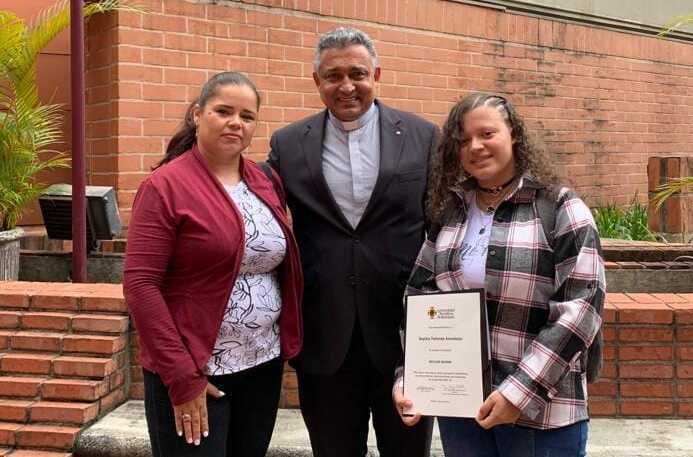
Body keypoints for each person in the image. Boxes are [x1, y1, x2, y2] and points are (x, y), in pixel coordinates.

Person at [393, 92, 605, 457]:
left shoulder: (559, 207)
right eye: (462, 140)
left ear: (514, 135)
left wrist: (518, 392)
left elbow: (581, 309)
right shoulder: (452, 212)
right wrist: (410, 376)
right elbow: (421, 295)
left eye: (486, 134)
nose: (474, 146)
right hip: (462, 409)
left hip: (543, 412)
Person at [267, 27, 437, 457]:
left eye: (357, 73)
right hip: (325, 337)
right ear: (317, 81)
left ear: (376, 74)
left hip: (407, 337)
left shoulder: (423, 137)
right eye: (333, 76)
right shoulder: (287, 145)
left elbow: (444, 223)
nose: (346, 86)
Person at [123, 71, 303, 457]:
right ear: (197, 114)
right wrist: (182, 375)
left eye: (247, 116)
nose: (236, 122)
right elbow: (140, 285)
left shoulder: (264, 180)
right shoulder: (165, 186)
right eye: (223, 111)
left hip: (262, 364)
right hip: (197, 370)